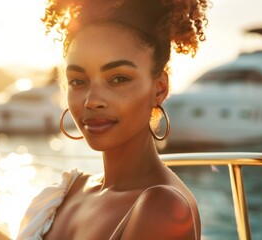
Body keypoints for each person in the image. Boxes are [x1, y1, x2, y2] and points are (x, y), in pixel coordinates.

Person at [17, 0, 208, 239]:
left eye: (118, 79)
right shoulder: (68, 191)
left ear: (159, 88)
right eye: (78, 81)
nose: (92, 100)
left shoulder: (162, 207)